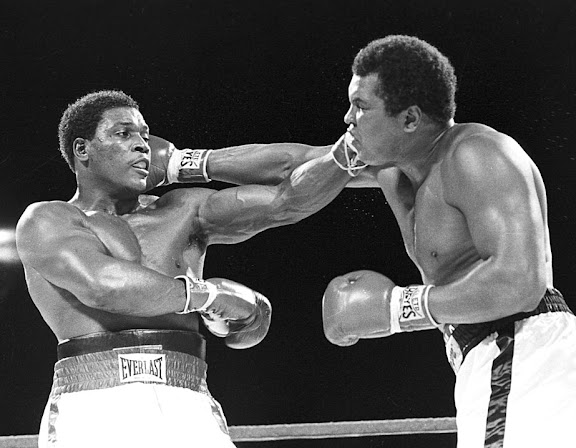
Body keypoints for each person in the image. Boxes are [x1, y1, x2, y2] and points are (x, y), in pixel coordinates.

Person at [320, 35, 576, 447]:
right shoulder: (398, 173)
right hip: (527, 366)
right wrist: (203, 163)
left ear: (410, 118)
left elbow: (518, 283)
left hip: (522, 356)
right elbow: (291, 165)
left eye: (361, 106)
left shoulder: (476, 154)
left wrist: (395, 308)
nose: (348, 118)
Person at [15, 90, 356, 448]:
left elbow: (287, 200)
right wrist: (209, 296)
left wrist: (349, 152)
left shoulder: (182, 210)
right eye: (123, 134)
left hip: (188, 399)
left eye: (145, 136)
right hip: (96, 403)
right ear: (82, 149)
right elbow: (104, 286)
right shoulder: (48, 219)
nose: (142, 146)